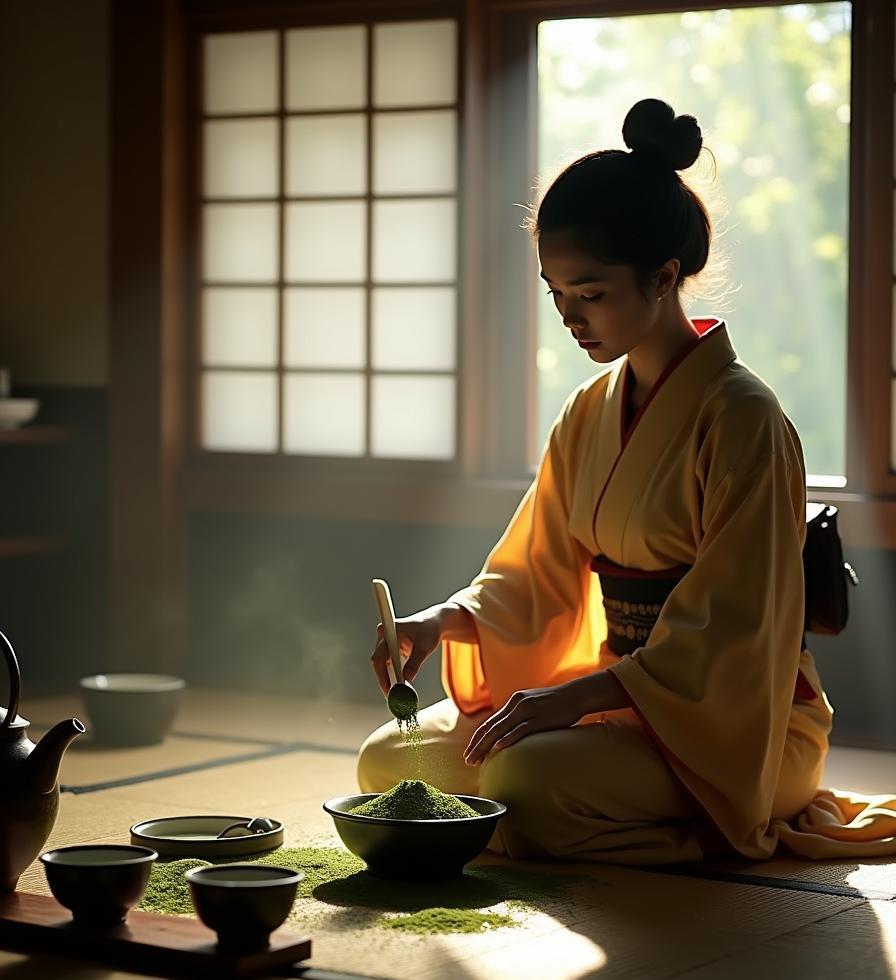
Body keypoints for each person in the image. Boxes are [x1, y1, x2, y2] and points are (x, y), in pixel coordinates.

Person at [358, 98, 896, 864]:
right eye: (556, 295)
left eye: (591, 293)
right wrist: (441, 621)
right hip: (617, 696)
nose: (571, 318)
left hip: (736, 724)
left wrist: (575, 699)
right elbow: (533, 573)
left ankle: (699, 829)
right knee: (391, 761)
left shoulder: (745, 418)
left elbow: (730, 632)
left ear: (663, 277)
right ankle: (566, 816)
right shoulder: (589, 410)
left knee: (526, 779)